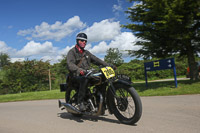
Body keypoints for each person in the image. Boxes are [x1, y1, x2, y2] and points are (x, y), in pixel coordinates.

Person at [66, 33, 109, 111]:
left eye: (85, 41)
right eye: (82, 40)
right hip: (75, 75)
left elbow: (96, 60)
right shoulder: (72, 52)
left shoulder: (87, 53)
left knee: (102, 79)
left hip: (86, 74)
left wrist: (108, 65)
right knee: (84, 79)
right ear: (77, 41)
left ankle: (100, 102)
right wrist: (79, 70)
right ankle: (80, 102)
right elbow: (70, 64)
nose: (84, 42)